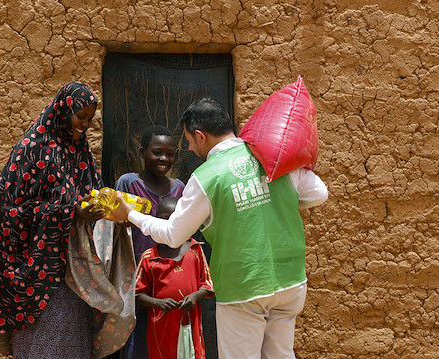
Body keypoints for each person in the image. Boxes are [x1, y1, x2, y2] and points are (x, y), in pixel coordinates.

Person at [110, 98, 329, 359]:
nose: (189, 148)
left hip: (244, 287)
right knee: (280, 354)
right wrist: (270, 199)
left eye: (189, 141)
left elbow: (172, 234)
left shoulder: (206, 177)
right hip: (290, 280)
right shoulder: (270, 155)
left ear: (200, 136)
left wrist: (131, 214)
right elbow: (319, 194)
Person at [0, 81, 108, 358]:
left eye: (90, 119)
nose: (85, 125)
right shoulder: (32, 150)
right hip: (36, 276)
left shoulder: (80, 153)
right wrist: (69, 212)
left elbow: (90, 195)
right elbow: (8, 210)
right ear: (63, 111)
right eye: (80, 117)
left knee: (72, 345)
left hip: (74, 272)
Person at [114, 125, 185, 359]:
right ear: (143, 152)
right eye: (157, 152)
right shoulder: (128, 184)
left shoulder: (180, 189)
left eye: (169, 153)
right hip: (135, 275)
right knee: (136, 339)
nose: (164, 158)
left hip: (168, 277)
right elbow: (115, 227)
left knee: (166, 338)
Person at [135, 196, 213, 359]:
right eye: (164, 219)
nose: (169, 224)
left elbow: (207, 284)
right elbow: (136, 294)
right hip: (162, 325)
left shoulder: (195, 250)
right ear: (155, 222)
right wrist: (157, 303)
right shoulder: (149, 257)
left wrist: (195, 296)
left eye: (174, 218)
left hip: (190, 321)